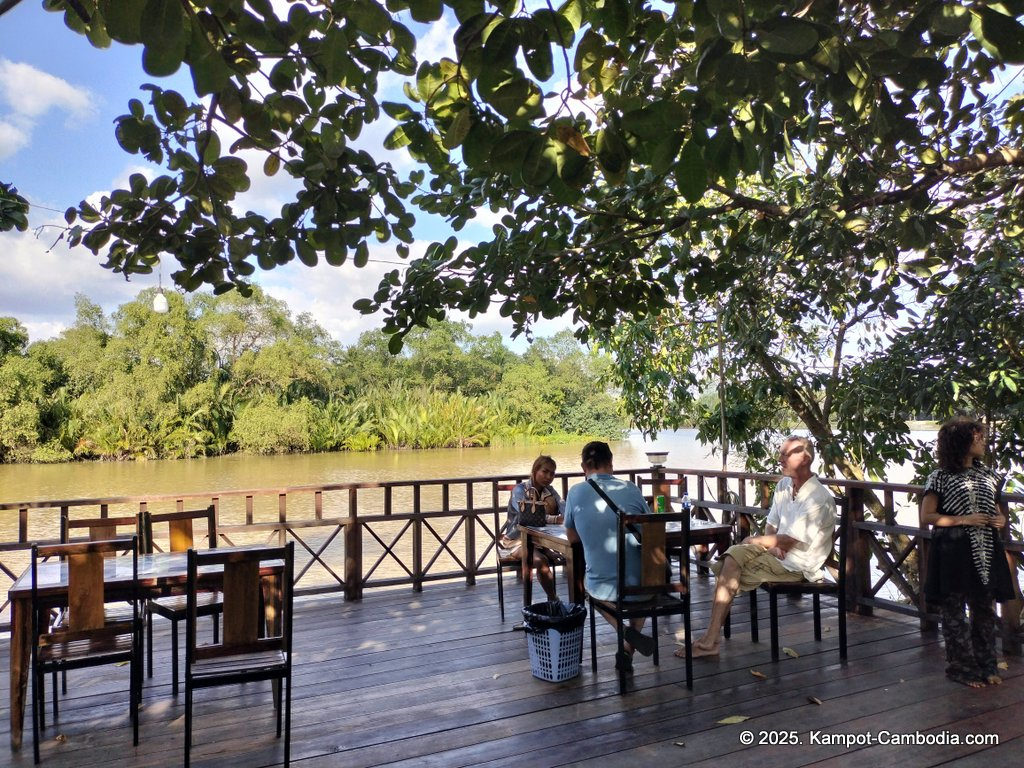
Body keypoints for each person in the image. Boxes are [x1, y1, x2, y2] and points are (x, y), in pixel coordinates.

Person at [685, 435, 837, 659]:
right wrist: (770, 546)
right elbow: (772, 526)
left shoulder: (818, 498)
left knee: (731, 566)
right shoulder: (785, 485)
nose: (780, 459)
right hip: (778, 555)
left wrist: (756, 542)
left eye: (786, 455)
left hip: (798, 565)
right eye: (780, 454)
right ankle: (711, 639)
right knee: (733, 557)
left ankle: (711, 639)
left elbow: (788, 541)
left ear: (805, 458)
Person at [921, 417, 1014, 688]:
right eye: (977, 437)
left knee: (984, 608)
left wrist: (1001, 521)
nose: (983, 441)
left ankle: (987, 665)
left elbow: (997, 511)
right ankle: (961, 667)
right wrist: (965, 519)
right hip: (953, 548)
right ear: (963, 442)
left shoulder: (989, 475)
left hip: (986, 547)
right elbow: (927, 515)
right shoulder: (939, 477)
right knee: (954, 611)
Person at [564, 441, 657, 673]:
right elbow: (651, 530)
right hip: (643, 586)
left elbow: (572, 538)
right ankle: (627, 648)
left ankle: (627, 634)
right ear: (611, 464)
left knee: (589, 589)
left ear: (583, 466)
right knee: (643, 589)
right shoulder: (632, 488)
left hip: (602, 587)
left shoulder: (575, 492)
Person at [500, 455, 565, 601]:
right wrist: (556, 519)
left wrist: (570, 516)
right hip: (517, 540)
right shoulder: (520, 490)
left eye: (552, 473)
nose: (548, 477)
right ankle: (555, 600)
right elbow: (526, 516)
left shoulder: (550, 491)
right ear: (535, 471)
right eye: (545, 471)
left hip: (541, 541)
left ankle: (582, 598)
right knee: (540, 561)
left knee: (574, 554)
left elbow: (564, 508)